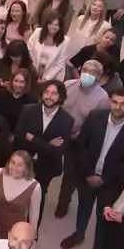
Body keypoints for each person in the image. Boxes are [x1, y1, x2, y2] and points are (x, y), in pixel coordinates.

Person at [59, 90, 124, 249]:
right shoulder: (95, 117)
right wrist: (88, 174)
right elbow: (81, 147)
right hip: (88, 174)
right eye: (115, 102)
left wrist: (105, 179)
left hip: (111, 181)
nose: (118, 107)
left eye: (123, 104)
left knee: (103, 214)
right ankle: (79, 234)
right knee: (83, 207)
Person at [15, 80, 75, 219]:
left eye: (54, 93)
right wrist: (47, 144)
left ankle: (33, 232)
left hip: (46, 167)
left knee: (37, 200)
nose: (49, 96)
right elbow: (19, 137)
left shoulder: (67, 120)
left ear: (60, 97)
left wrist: (32, 139)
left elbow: (58, 152)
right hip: (23, 162)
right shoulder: (28, 110)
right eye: (47, 92)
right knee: (16, 195)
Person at [0, 151, 42, 239]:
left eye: (20, 165)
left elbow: (34, 216)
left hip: (14, 230)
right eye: (12, 162)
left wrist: (32, 236)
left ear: (26, 168)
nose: (14, 168)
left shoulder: (35, 187)